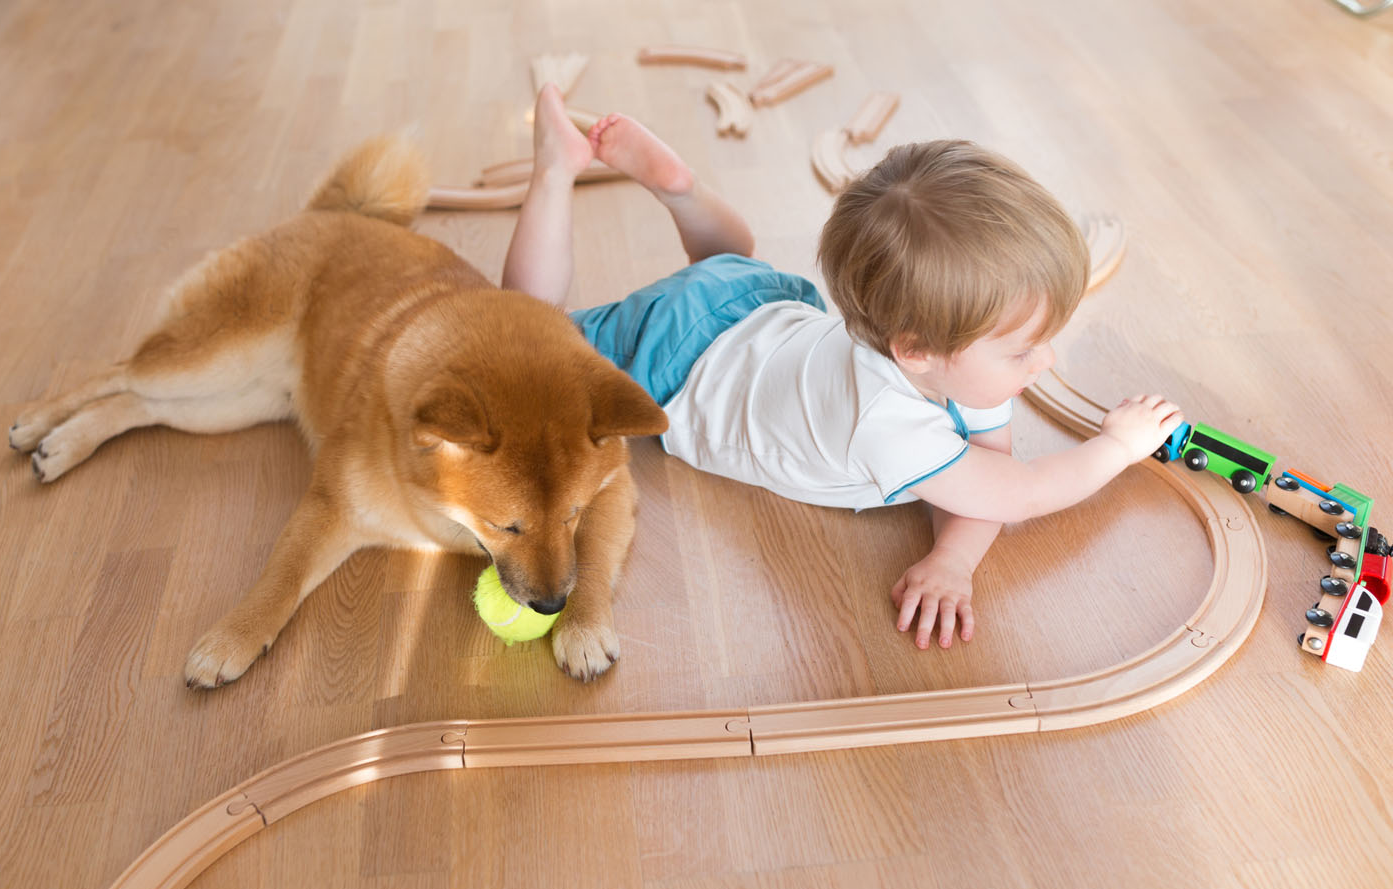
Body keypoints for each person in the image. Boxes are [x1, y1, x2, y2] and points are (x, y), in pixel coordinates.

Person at [502, 83, 1184, 652]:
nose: (1045, 360)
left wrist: (952, 559)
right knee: (522, 338)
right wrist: (1116, 447)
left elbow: (989, 470)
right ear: (917, 349)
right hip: (678, 359)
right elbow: (1020, 491)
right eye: (1023, 349)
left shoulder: (948, 355)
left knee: (726, 258)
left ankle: (684, 193)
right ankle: (558, 168)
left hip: (756, 299)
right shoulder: (890, 423)